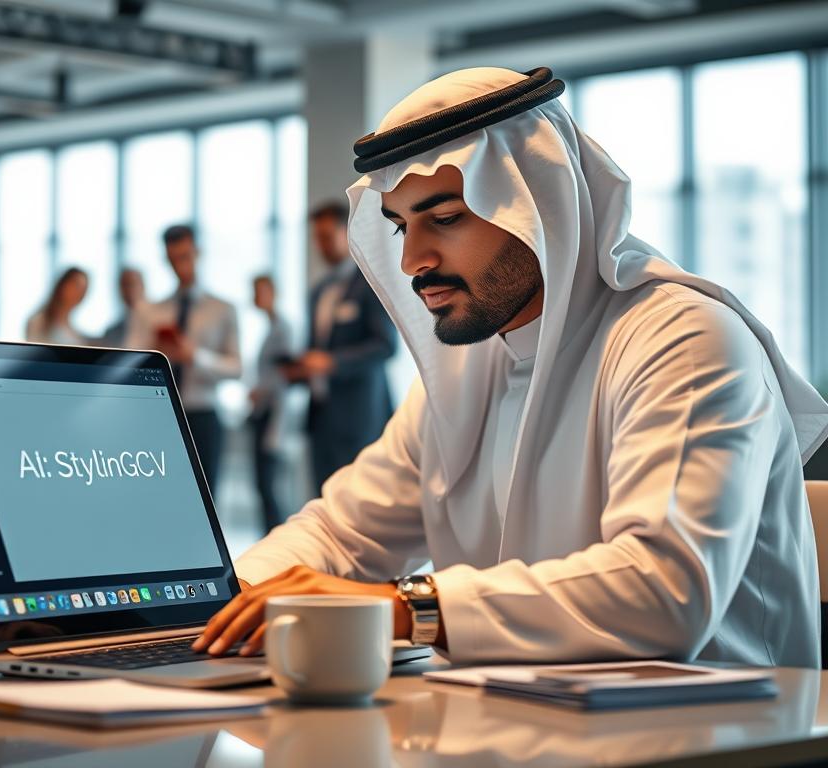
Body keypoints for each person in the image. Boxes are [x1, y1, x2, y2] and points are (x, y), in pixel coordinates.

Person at [193, 67, 828, 667]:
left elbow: (663, 592)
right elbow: (342, 531)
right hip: (524, 724)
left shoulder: (681, 340)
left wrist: (403, 609)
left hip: (720, 735)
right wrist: (226, 603)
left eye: (444, 218)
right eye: (399, 227)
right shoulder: (465, 370)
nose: (414, 259)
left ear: (539, 207)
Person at [286, 201, 396, 494]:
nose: (319, 245)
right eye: (315, 238)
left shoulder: (370, 282)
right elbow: (316, 348)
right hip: (320, 415)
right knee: (322, 500)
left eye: (325, 236)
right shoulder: (317, 292)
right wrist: (299, 369)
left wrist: (333, 362)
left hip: (358, 416)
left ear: (346, 232)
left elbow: (385, 346)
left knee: (360, 500)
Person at [128, 225, 240, 494]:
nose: (180, 265)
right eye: (173, 259)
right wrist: (154, 354)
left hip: (203, 414)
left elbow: (236, 368)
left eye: (185, 256)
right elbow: (129, 362)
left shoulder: (222, 309)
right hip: (160, 414)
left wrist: (196, 357)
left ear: (198, 253)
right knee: (160, 495)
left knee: (206, 498)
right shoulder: (150, 311)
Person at [248, 274, 293, 532]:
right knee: (263, 485)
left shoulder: (283, 329)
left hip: (273, 416)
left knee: (268, 485)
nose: (255, 297)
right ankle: (269, 540)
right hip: (263, 413)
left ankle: (276, 541)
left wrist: (261, 392)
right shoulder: (271, 328)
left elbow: (283, 378)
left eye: (259, 291)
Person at [25, 267, 89, 345]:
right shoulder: (38, 322)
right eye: (76, 286)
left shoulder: (73, 331)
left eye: (84, 289)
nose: (80, 293)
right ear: (63, 285)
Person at [100, 268, 146, 347]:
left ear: (142, 286)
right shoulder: (111, 332)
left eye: (133, 283)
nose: (129, 289)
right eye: (125, 284)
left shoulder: (158, 323)